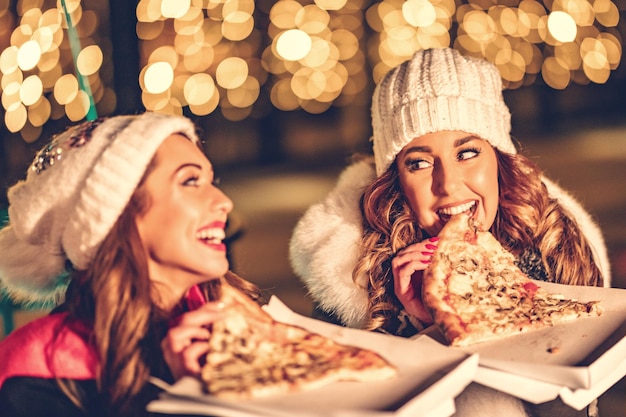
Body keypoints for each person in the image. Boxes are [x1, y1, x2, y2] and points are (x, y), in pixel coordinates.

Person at [289, 48, 611, 416]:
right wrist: (423, 331)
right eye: (420, 163)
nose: (448, 185)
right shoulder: (353, 278)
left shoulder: (557, 246)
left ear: (499, 159)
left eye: (467, 153)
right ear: (396, 180)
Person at [0, 112, 263, 416]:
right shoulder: (35, 372)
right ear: (113, 214)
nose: (223, 201)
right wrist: (191, 401)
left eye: (210, 180)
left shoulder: (245, 327)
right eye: (190, 181)